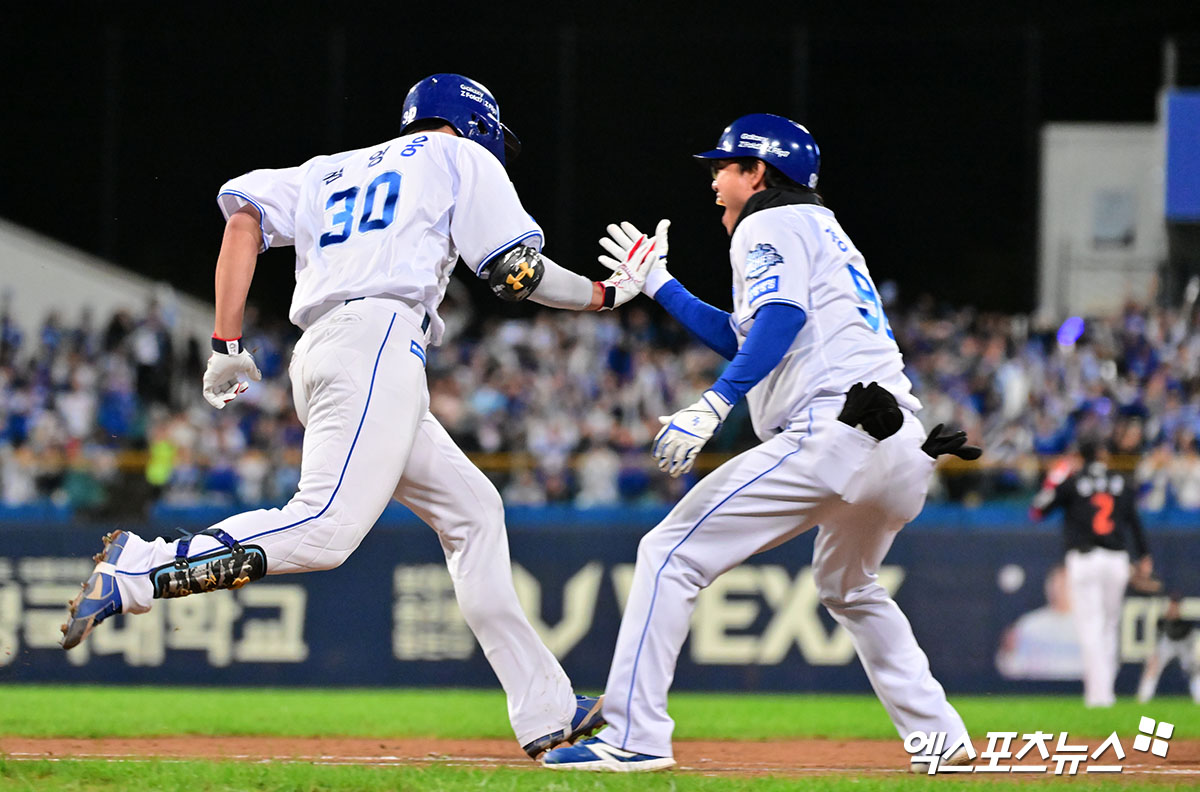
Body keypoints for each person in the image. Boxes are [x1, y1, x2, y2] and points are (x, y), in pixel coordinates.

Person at [60, 73, 663, 760]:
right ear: (477, 125)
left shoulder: (325, 170)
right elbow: (515, 273)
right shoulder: (460, 155)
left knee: (474, 513)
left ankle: (547, 712)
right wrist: (607, 294)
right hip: (377, 342)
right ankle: (139, 570)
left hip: (324, 351)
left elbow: (242, 220)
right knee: (324, 527)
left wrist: (226, 341)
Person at [544, 114, 980, 772]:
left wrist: (715, 402)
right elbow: (750, 336)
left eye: (724, 166)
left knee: (668, 554)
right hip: (901, 447)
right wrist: (661, 286)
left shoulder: (768, 221)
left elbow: (781, 318)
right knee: (851, 588)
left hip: (835, 431)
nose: (714, 180)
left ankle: (636, 737)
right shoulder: (818, 226)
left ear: (758, 173)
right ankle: (941, 739)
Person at [1031, 438, 1153, 707]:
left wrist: (1055, 477)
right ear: (1102, 455)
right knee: (1110, 627)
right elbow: (1134, 521)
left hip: (1085, 560)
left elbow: (1037, 511)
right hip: (1117, 559)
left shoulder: (1072, 481)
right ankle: (1106, 691)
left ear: (1079, 456)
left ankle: (1098, 696)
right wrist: (1144, 555)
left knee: (1090, 627)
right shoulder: (1120, 481)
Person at [1137, 592, 1200, 704]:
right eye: (1172, 604)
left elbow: (1186, 633)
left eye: (1176, 604)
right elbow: (1161, 634)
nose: (1173, 607)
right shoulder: (1163, 619)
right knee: (1153, 665)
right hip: (1168, 643)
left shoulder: (1186, 617)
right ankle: (1143, 698)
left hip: (1185, 643)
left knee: (1195, 669)